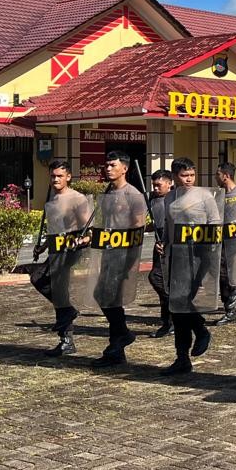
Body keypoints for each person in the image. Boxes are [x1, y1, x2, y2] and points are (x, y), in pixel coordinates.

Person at [160, 157, 221, 375]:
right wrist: (164, 244)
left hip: (198, 255)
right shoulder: (169, 198)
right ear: (175, 176)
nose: (188, 179)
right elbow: (168, 227)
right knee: (177, 306)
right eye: (184, 175)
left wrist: (211, 256)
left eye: (192, 175)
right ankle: (182, 356)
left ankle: (201, 330)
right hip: (176, 256)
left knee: (183, 300)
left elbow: (215, 224)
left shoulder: (204, 196)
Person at [89, 151, 148, 368]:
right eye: (106, 165)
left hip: (123, 255)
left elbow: (138, 228)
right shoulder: (107, 193)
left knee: (110, 298)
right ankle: (118, 345)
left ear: (125, 168)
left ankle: (119, 340)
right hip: (108, 252)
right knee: (105, 296)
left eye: (113, 165)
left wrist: (131, 262)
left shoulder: (133, 195)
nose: (108, 168)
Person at [30, 159, 93, 357]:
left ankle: (66, 335)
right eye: (53, 176)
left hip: (71, 250)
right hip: (55, 249)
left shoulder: (77, 198)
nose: (55, 179)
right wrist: (43, 247)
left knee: (56, 287)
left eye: (59, 176)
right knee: (40, 280)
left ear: (68, 177)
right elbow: (55, 229)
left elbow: (89, 229)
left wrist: (82, 241)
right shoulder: (51, 200)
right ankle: (67, 324)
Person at [214, 162, 236, 326]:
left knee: (226, 274)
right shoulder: (218, 196)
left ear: (226, 176)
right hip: (221, 241)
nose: (216, 177)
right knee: (222, 276)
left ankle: (231, 303)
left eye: (218, 174)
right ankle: (230, 309)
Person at [146, 168, 175, 339]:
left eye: (159, 185)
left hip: (171, 246)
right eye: (154, 185)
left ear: (169, 183)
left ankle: (176, 310)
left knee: (157, 278)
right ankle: (168, 322)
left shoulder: (174, 200)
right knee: (162, 281)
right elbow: (155, 223)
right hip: (158, 246)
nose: (156, 189)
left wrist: (167, 243)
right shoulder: (151, 199)